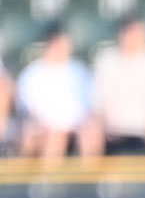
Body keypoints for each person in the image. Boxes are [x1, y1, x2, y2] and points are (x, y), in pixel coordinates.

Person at [16, 24, 102, 161]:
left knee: (92, 134)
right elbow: (27, 110)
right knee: (52, 137)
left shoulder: (81, 71)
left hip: (76, 126)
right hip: (45, 127)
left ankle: (91, 180)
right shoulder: (32, 73)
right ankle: (48, 181)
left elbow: (91, 107)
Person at [93, 16, 145, 156]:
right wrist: (105, 124)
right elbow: (99, 100)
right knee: (91, 131)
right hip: (113, 128)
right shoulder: (108, 60)